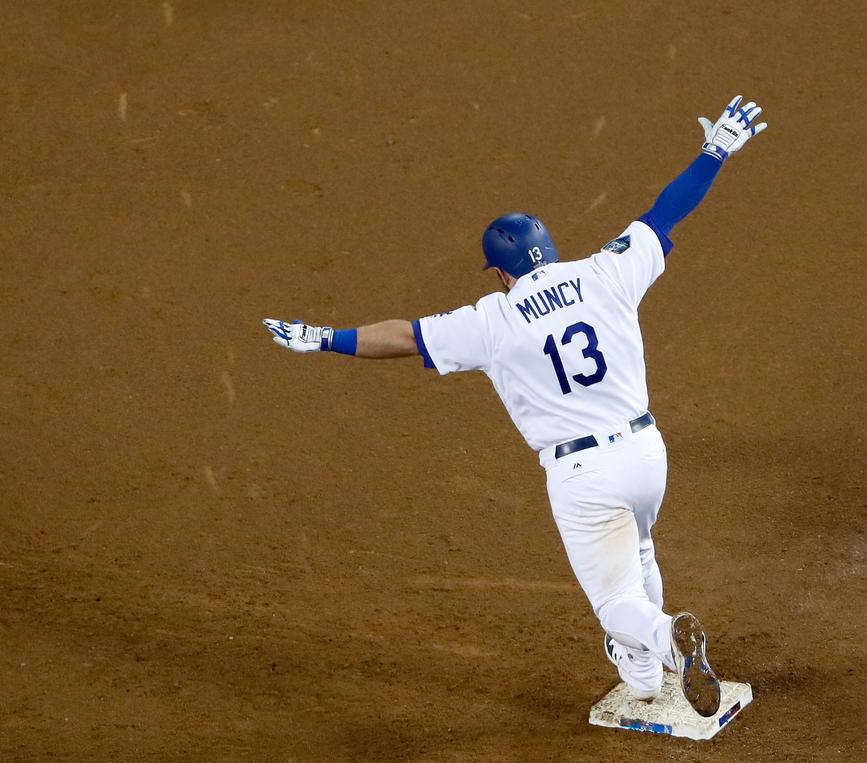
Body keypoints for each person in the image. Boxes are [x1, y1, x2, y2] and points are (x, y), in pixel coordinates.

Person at [263, 96, 767, 718]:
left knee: (614, 601)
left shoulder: (492, 318)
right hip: (646, 453)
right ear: (548, 250)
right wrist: (715, 150)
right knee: (637, 548)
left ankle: (668, 642)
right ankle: (640, 674)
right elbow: (667, 211)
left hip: (583, 477)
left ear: (499, 274)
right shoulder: (605, 271)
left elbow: (404, 337)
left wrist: (324, 338)